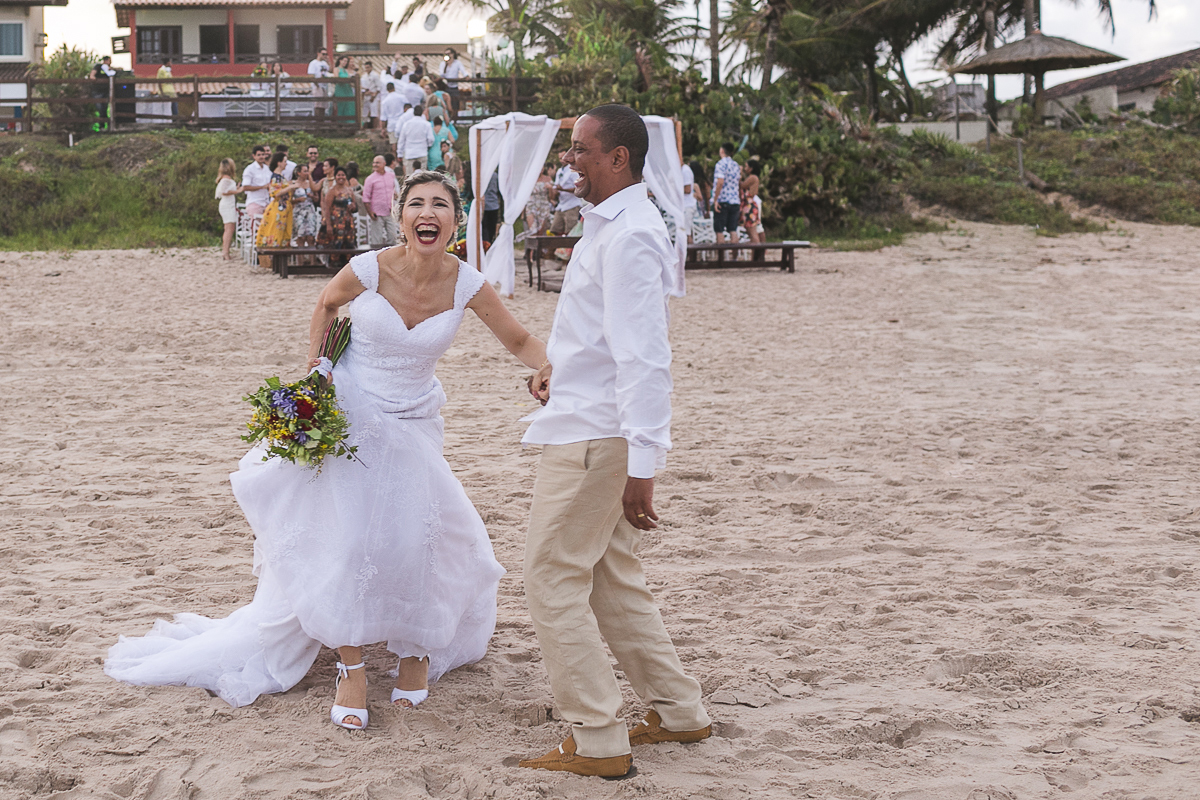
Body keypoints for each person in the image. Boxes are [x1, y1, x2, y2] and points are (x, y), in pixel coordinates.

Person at [106, 170, 549, 732]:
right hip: (352, 415)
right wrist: (316, 371)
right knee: (346, 540)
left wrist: (546, 365)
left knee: (425, 537)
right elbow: (325, 303)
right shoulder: (370, 267)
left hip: (415, 423)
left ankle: (414, 653)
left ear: (456, 221)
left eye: (440, 204)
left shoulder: (467, 284)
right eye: (416, 203)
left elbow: (518, 339)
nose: (427, 212)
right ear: (401, 216)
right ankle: (352, 665)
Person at [516, 104, 711, 779]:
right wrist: (555, 371)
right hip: (590, 419)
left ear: (619, 157)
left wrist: (644, 464)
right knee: (607, 575)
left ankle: (597, 736)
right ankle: (679, 710)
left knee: (549, 575)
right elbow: (602, 341)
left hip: (598, 439)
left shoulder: (629, 235)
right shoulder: (610, 227)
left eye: (580, 148)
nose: (570, 159)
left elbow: (646, 359)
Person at [256, 152, 297, 248]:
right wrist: (291, 187)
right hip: (279, 207)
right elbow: (275, 193)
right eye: (285, 161)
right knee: (277, 232)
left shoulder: (281, 176)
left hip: (285, 207)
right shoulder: (276, 177)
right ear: (279, 163)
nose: (286, 164)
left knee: (283, 232)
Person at [318, 166, 357, 266]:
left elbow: (354, 207)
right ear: (335, 177)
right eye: (339, 175)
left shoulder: (349, 191)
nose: (341, 177)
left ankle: (348, 263)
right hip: (335, 221)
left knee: (348, 242)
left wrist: (352, 207)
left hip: (347, 220)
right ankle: (334, 263)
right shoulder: (332, 191)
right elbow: (327, 208)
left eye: (343, 175)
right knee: (336, 242)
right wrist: (328, 225)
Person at [362, 155, 398, 248]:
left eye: (377, 163)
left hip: (389, 211)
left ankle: (391, 258)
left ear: (384, 164)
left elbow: (391, 189)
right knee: (377, 240)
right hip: (377, 213)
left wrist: (395, 195)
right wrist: (370, 212)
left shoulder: (391, 175)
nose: (375, 165)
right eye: (374, 162)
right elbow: (365, 198)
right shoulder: (370, 179)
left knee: (393, 237)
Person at [711, 142, 741, 244]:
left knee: (719, 230)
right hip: (735, 200)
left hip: (723, 199)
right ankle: (734, 257)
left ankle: (721, 257)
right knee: (733, 229)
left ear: (722, 151)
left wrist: (715, 199)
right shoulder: (736, 165)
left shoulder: (720, 164)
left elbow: (720, 182)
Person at [548, 150, 583, 235]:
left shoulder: (573, 170)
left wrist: (563, 189)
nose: (562, 160)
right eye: (560, 158)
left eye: (563, 157)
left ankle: (570, 248)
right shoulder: (560, 171)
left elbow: (578, 188)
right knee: (555, 230)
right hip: (561, 205)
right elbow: (556, 186)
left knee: (570, 231)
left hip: (572, 205)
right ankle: (558, 248)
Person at [215, 158, 242, 261]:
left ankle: (226, 251)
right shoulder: (226, 179)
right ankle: (225, 252)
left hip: (228, 204)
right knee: (229, 229)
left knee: (229, 228)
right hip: (227, 205)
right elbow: (224, 191)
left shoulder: (225, 178)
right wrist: (238, 191)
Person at [398, 103, 433, 176]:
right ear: (422, 113)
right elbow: (431, 139)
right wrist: (427, 146)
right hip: (422, 152)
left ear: (413, 113)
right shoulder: (426, 124)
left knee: (410, 177)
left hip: (410, 153)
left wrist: (400, 153)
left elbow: (401, 140)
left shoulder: (407, 124)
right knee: (422, 177)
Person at [291, 163, 320, 251]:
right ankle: (300, 261)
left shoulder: (310, 184)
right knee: (301, 237)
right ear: (299, 173)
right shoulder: (293, 184)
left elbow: (316, 198)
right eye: (305, 171)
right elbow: (289, 200)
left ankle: (312, 261)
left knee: (310, 236)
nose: (307, 173)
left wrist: (312, 196)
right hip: (298, 211)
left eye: (307, 171)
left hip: (310, 210)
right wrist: (298, 199)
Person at [523, 163, 554, 238]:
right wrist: (522, 211)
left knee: (541, 231)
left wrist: (550, 189)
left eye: (542, 168)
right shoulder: (528, 179)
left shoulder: (548, 179)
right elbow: (523, 195)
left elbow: (552, 197)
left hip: (543, 206)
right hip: (531, 205)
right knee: (533, 229)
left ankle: (539, 249)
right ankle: (533, 249)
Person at [241, 144, 272, 217]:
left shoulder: (267, 169)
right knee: (256, 227)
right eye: (259, 155)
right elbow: (245, 187)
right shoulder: (250, 169)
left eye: (263, 154)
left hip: (266, 203)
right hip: (255, 203)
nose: (261, 157)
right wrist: (262, 187)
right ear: (254, 156)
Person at [739, 159, 763, 244]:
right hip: (748, 206)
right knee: (751, 233)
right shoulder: (751, 178)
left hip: (749, 207)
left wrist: (740, 173)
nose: (745, 168)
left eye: (746, 166)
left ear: (751, 168)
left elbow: (741, 185)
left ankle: (757, 253)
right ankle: (755, 254)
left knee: (753, 234)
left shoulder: (753, 178)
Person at [90, 56, 116, 125]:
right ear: (106, 61)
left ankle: (103, 124)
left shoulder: (109, 69)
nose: (110, 62)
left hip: (105, 91)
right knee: (99, 107)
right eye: (109, 61)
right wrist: (93, 77)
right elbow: (92, 75)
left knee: (104, 107)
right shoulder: (99, 66)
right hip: (97, 91)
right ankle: (103, 123)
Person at [307, 48, 331, 115]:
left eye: (326, 54)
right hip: (318, 85)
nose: (325, 56)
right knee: (318, 104)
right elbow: (311, 75)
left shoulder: (325, 63)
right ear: (318, 53)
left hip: (325, 85)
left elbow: (330, 70)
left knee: (324, 104)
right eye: (323, 54)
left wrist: (329, 61)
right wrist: (316, 84)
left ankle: (322, 118)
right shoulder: (313, 63)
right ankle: (318, 120)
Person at [333, 56, 356, 121]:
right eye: (344, 61)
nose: (345, 63)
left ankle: (350, 121)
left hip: (348, 89)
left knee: (349, 105)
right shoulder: (336, 69)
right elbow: (336, 78)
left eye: (346, 61)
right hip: (340, 89)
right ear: (340, 60)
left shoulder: (346, 70)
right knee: (341, 105)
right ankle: (341, 121)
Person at [360, 61, 382, 127]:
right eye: (366, 67)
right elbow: (362, 87)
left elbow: (379, 87)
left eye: (368, 67)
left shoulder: (375, 75)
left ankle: (375, 129)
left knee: (374, 114)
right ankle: (364, 129)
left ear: (371, 67)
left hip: (373, 96)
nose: (367, 69)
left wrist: (374, 96)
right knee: (364, 114)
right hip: (366, 96)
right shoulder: (364, 76)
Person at [481, 170, 500, 245]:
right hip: (494, 204)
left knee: (484, 228)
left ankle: (486, 243)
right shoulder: (495, 175)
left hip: (484, 205)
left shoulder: (481, 175)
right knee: (491, 227)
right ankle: (490, 243)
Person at [680, 159, 696, 243]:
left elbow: (688, 189)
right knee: (686, 231)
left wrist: (674, 190)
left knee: (687, 233)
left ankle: (690, 255)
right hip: (685, 206)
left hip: (687, 206)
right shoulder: (682, 170)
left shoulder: (685, 171)